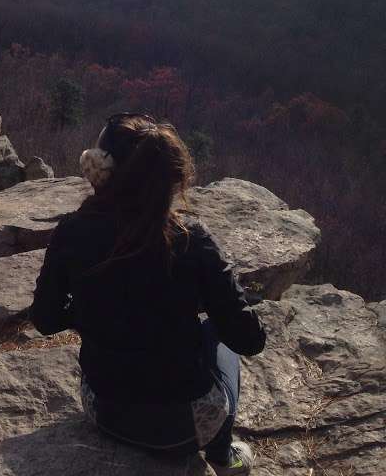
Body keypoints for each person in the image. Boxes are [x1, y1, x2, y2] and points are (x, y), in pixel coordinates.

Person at [30, 113, 265, 476]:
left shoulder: (72, 231)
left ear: (102, 170)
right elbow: (249, 339)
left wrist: (91, 311)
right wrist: (218, 299)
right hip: (183, 428)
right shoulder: (191, 240)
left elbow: (44, 319)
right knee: (221, 339)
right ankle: (222, 456)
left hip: (102, 410)